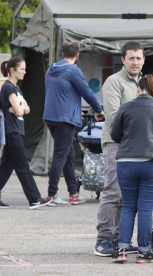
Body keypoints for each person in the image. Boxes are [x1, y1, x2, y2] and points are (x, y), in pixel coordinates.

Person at [95, 41, 153, 257]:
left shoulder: (146, 82)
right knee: (114, 193)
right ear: (123, 59)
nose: (135, 62)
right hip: (117, 144)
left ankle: (122, 241)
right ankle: (105, 239)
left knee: (130, 201)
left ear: (144, 59)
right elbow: (115, 119)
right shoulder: (113, 82)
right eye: (131, 58)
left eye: (139, 58)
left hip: (141, 148)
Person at [110, 74, 153, 263]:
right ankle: (143, 253)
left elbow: (115, 136)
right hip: (152, 162)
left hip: (126, 162)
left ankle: (122, 250)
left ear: (138, 89)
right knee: (145, 209)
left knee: (128, 207)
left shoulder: (124, 108)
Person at [0, 57, 52, 210]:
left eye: (25, 69)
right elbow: (22, 109)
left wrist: (19, 107)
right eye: (22, 69)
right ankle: (34, 199)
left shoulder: (16, 89)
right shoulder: (9, 88)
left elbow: (26, 109)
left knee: (6, 166)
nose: (25, 72)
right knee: (22, 166)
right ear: (12, 70)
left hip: (14, 129)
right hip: (11, 131)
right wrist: (20, 107)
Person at [44, 42, 103, 206]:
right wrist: (99, 110)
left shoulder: (51, 68)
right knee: (60, 155)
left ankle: (73, 194)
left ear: (63, 53)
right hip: (65, 119)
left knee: (68, 154)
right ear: (77, 55)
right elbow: (87, 92)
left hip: (50, 117)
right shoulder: (73, 70)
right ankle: (51, 195)